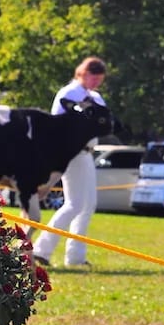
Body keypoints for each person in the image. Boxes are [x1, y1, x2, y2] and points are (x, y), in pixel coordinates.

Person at [32, 57, 108, 267]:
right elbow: (59, 125)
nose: (96, 83)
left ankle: (75, 256)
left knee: (88, 205)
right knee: (74, 204)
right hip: (72, 152)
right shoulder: (69, 94)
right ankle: (42, 249)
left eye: (99, 79)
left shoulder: (96, 97)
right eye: (93, 77)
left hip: (87, 153)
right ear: (82, 73)